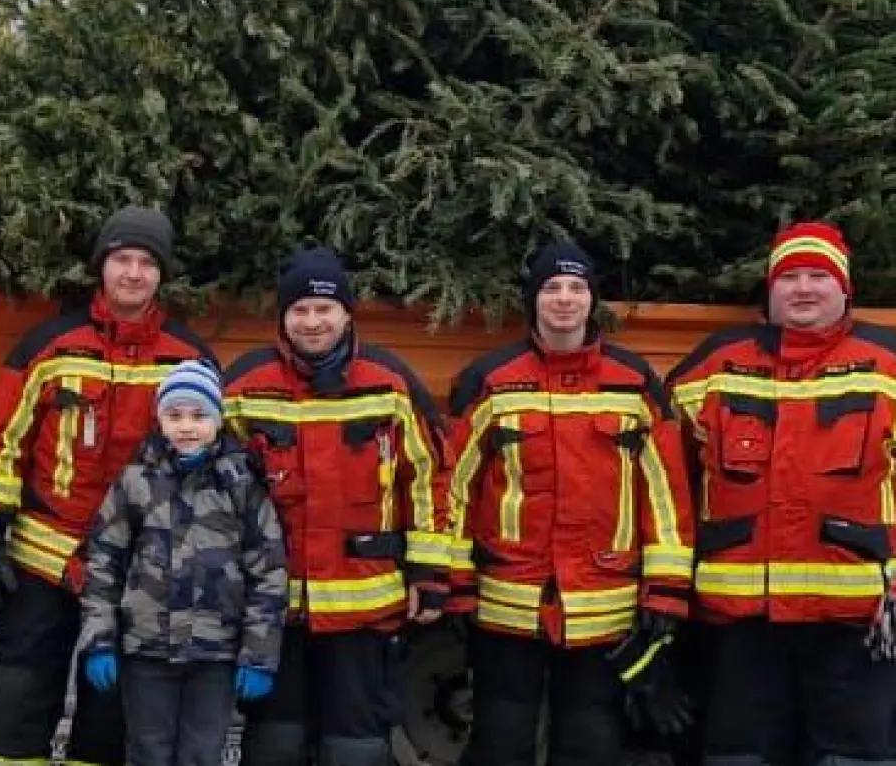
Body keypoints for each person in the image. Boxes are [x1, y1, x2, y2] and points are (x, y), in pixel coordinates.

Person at [0, 205, 218, 766]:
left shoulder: (188, 359)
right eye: (122, 259)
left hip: (136, 567)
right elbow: (3, 444)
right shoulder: (49, 347)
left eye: (146, 263)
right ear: (101, 268)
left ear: (161, 275)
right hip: (44, 559)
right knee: (21, 690)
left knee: (111, 713)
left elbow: (208, 466)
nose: (133, 273)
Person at [444, 243, 695, 766]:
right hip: (506, 603)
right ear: (533, 301)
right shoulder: (490, 380)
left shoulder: (635, 384)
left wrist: (666, 595)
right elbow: (454, 489)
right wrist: (455, 584)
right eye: (551, 288)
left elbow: (665, 495)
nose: (564, 299)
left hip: (602, 607)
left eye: (576, 288)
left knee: (590, 744)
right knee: (500, 741)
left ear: (592, 300)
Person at [668, 221, 896, 765]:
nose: (804, 288)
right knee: (740, 755)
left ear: (844, 289)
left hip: (858, 617)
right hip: (742, 620)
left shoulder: (886, 362)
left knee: (855, 756)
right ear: (770, 290)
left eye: (819, 275)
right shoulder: (715, 363)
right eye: (790, 277)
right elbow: (661, 473)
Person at [223, 246, 452, 766]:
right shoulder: (243, 385)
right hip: (273, 610)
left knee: (356, 745)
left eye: (324, 309)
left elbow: (431, 480)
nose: (312, 321)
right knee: (274, 742)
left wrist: (429, 573)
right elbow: (210, 493)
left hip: (365, 609)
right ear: (282, 318)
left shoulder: (389, 383)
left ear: (347, 314)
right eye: (299, 310)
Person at [78, 359, 287, 766]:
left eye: (199, 415)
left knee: (200, 753)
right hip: (147, 651)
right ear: (159, 420)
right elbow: (103, 565)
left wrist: (258, 655)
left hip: (215, 654)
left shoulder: (241, 484)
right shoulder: (135, 482)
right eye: (174, 415)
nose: (186, 426)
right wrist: (98, 641)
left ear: (218, 420)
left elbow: (268, 572)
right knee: (147, 751)